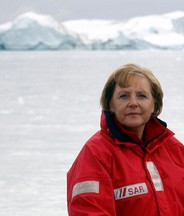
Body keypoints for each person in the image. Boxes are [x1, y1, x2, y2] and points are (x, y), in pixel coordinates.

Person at [67, 63, 184, 216]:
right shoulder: (96, 154)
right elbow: (88, 210)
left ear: (154, 105)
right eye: (124, 96)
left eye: (142, 96)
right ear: (111, 104)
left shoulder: (175, 150)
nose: (133, 103)